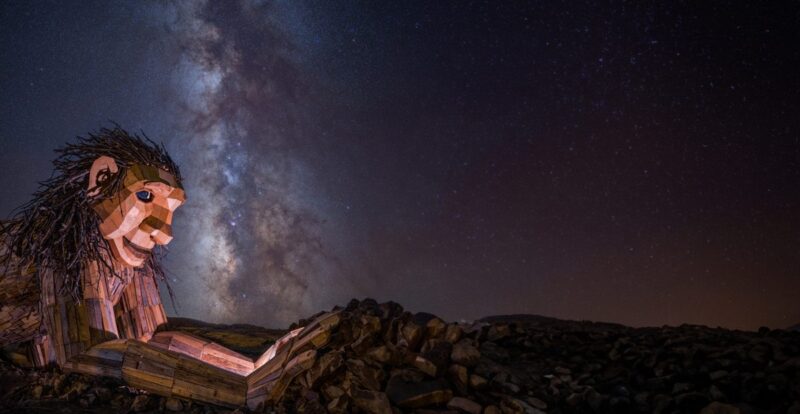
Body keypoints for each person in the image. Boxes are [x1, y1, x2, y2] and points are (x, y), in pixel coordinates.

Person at [0, 127, 337, 408]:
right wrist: (240, 391)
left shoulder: (128, 254)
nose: (164, 232)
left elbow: (151, 341)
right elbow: (85, 353)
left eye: (171, 208)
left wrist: (254, 365)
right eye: (146, 197)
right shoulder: (67, 242)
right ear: (100, 181)